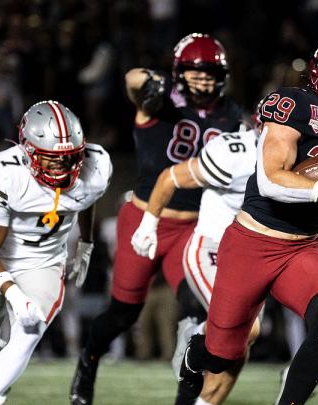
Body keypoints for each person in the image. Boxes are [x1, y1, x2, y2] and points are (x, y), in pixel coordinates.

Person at [176, 34, 318, 405]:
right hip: (252, 243)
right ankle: (194, 355)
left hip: (303, 247)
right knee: (221, 355)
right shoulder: (294, 105)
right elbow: (271, 180)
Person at [70, 33, 243, 405]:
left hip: (197, 226)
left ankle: (186, 398)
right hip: (146, 215)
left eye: (210, 72)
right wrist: (149, 81)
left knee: (198, 312)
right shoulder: (160, 101)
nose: (203, 80)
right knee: (122, 314)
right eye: (196, 72)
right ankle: (87, 363)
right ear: (179, 73)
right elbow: (133, 80)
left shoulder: (231, 115)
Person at [0, 100, 111, 405]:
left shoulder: (95, 167)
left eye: (70, 158)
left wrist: (86, 242)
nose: (63, 167)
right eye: (52, 159)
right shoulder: (5, 173)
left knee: (31, 327)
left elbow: (86, 199)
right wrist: (14, 295)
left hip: (44, 262)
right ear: (28, 151)